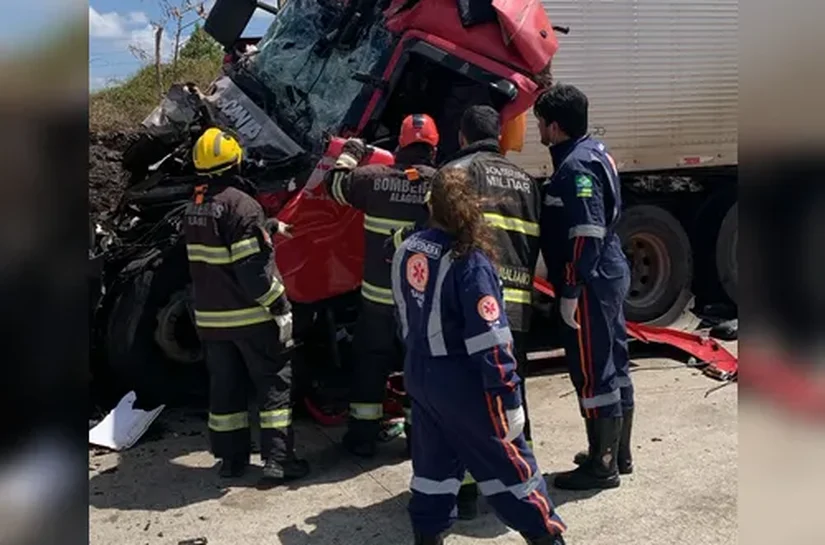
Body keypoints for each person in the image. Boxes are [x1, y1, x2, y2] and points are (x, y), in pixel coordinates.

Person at [391, 168, 567, 545]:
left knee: (432, 470)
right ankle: (547, 537)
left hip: (419, 375)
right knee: (514, 471)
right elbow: (492, 342)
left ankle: (427, 537)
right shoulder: (469, 261)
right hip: (463, 384)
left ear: (430, 205)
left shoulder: (407, 248)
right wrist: (509, 398)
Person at [183, 127, 310, 484]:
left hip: (211, 321)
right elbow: (252, 272)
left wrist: (267, 226)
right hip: (251, 318)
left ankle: (231, 459)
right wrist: (279, 305)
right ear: (235, 161)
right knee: (274, 385)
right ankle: (279, 461)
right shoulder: (243, 205)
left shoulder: (193, 206)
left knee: (226, 390)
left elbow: (221, 243)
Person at [440, 105, 542, 518]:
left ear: (462, 136)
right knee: (512, 394)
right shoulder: (527, 181)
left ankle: (465, 496)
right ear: (499, 136)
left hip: (470, 307)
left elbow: (438, 240)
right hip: (517, 307)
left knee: (466, 401)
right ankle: (524, 485)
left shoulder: (454, 173)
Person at [534, 83, 635, 490]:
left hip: (591, 278)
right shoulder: (593, 151)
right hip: (608, 270)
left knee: (593, 369)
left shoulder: (575, 166)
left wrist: (572, 288)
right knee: (615, 360)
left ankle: (602, 466)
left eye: (540, 122)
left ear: (555, 127)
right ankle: (616, 453)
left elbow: (587, 232)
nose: (538, 129)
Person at [324, 114, 440, 457]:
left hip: (376, 298)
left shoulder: (372, 179)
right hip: (419, 300)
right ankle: (419, 439)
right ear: (433, 149)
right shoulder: (441, 185)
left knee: (369, 364)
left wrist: (351, 152)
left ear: (401, 144)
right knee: (418, 366)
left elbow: (334, 185)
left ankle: (362, 438)